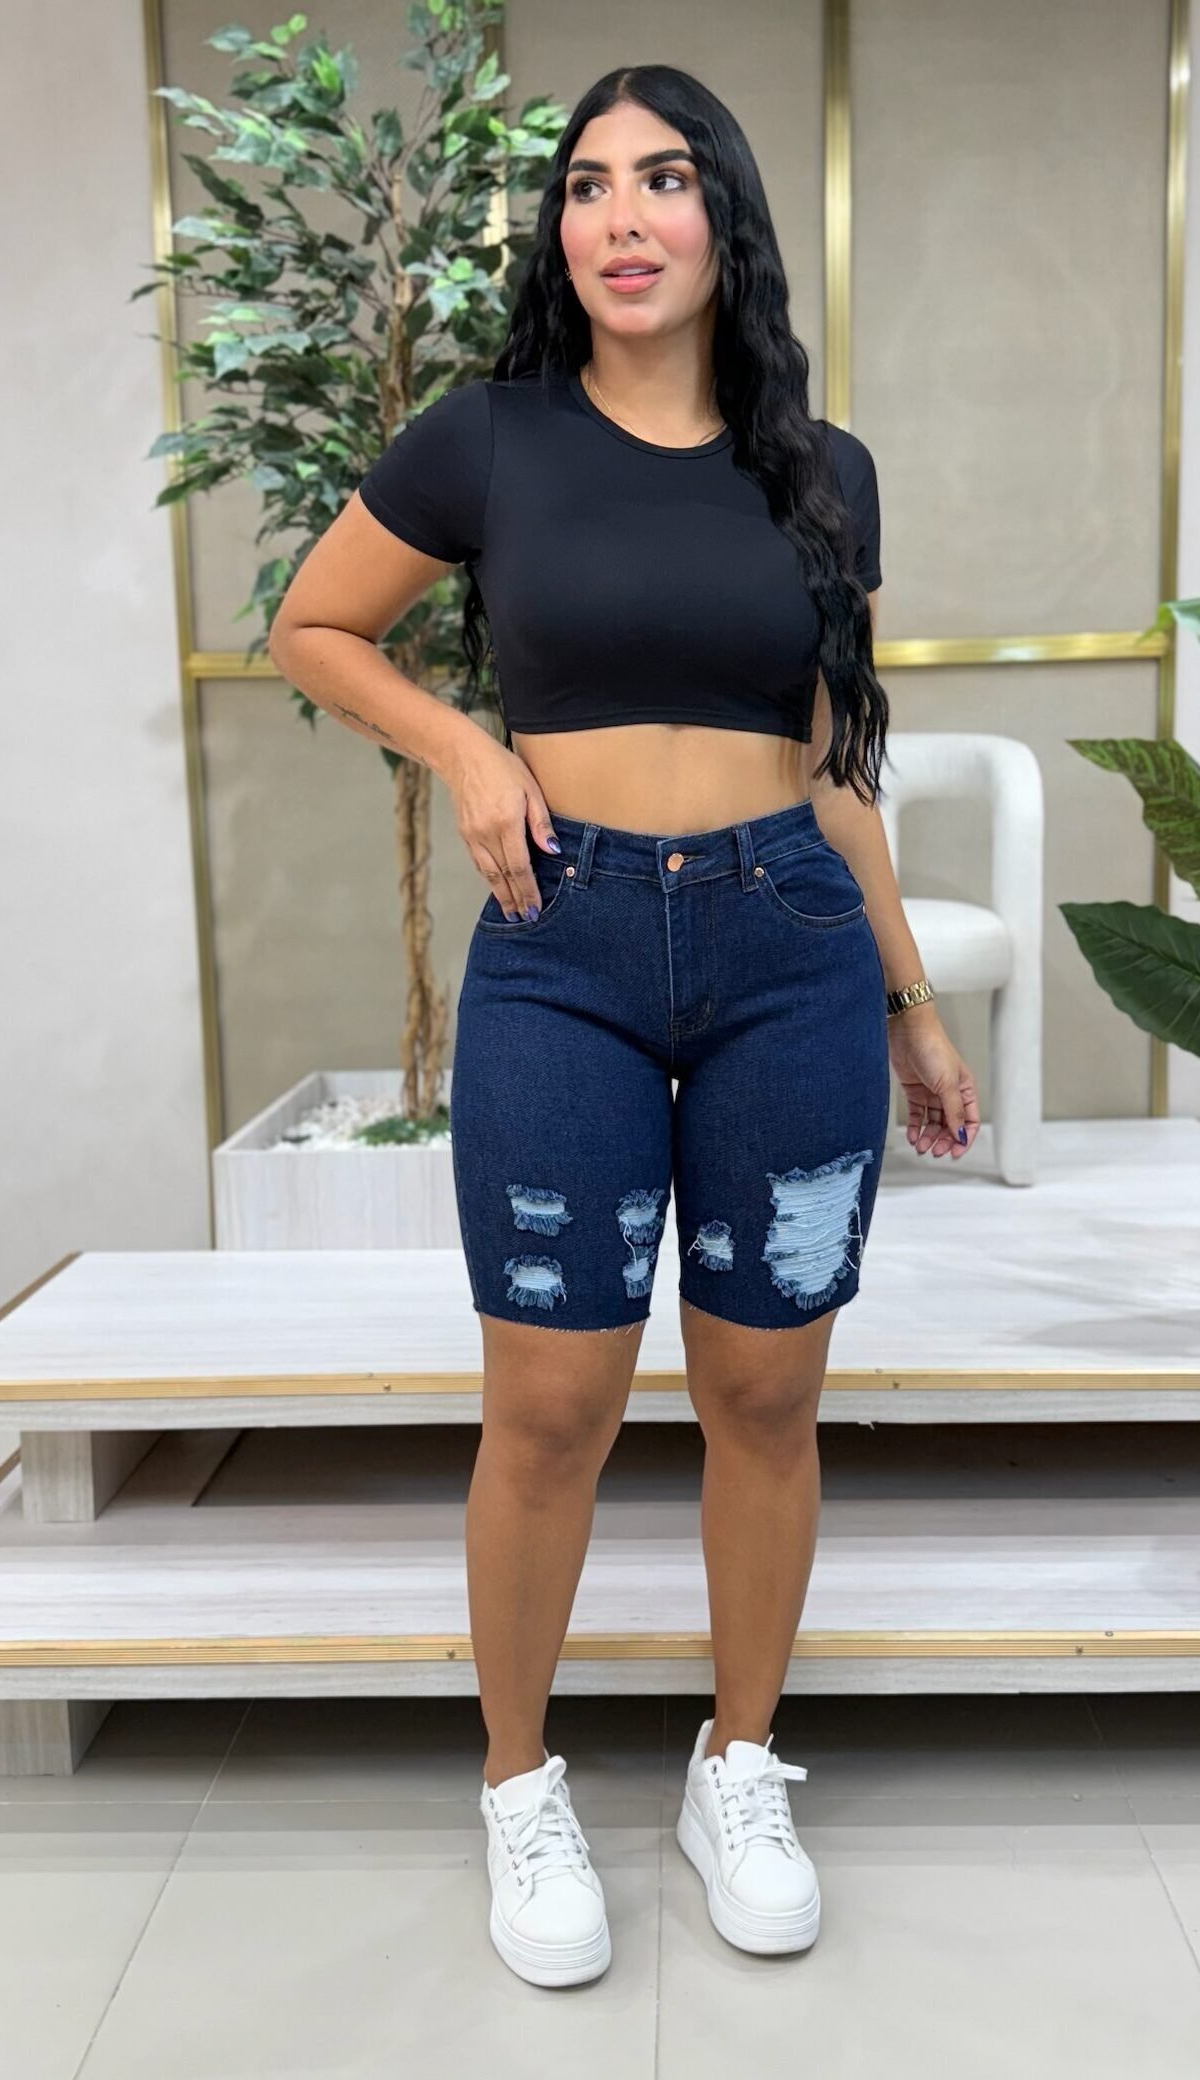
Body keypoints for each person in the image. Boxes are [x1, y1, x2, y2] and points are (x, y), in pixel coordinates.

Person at [268, 63, 980, 1989]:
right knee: (553, 1407)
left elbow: (840, 765)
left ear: (723, 216)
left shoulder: (823, 470)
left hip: (790, 948)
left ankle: (739, 1764)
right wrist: (464, 746)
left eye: (664, 179)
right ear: (561, 232)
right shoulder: (487, 437)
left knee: (766, 1396)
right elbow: (314, 627)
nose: (622, 216)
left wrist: (911, 1000)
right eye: (588, 186)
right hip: (560, 946)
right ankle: (519, 1784)